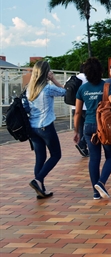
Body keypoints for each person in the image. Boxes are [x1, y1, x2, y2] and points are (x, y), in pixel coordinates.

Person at [74, 57, 111, 200]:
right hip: (104, 126)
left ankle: (95, 193)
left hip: (88, 126)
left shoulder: (82, 88)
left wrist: (76, 131)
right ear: (101, 71)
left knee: (94, 159)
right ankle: (101, 182)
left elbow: (77, 112)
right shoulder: (106, 86)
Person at [24, 60, 66, 199]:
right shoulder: (48, 88)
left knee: (40, 158)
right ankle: (38, 180)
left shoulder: (29, 88)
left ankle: (40, 189)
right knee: (56, 155)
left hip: (33, 128)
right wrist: (53, 78)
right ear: (45, 72)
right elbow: (65, 92)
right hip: (46, 126)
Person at [72, 63, 88, 157]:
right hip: (86, 107)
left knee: (81, 129)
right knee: (92, 128)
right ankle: (82, 143)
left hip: (75, 107)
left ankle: (84, 149)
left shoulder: (72, 78)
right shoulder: (88, 79)